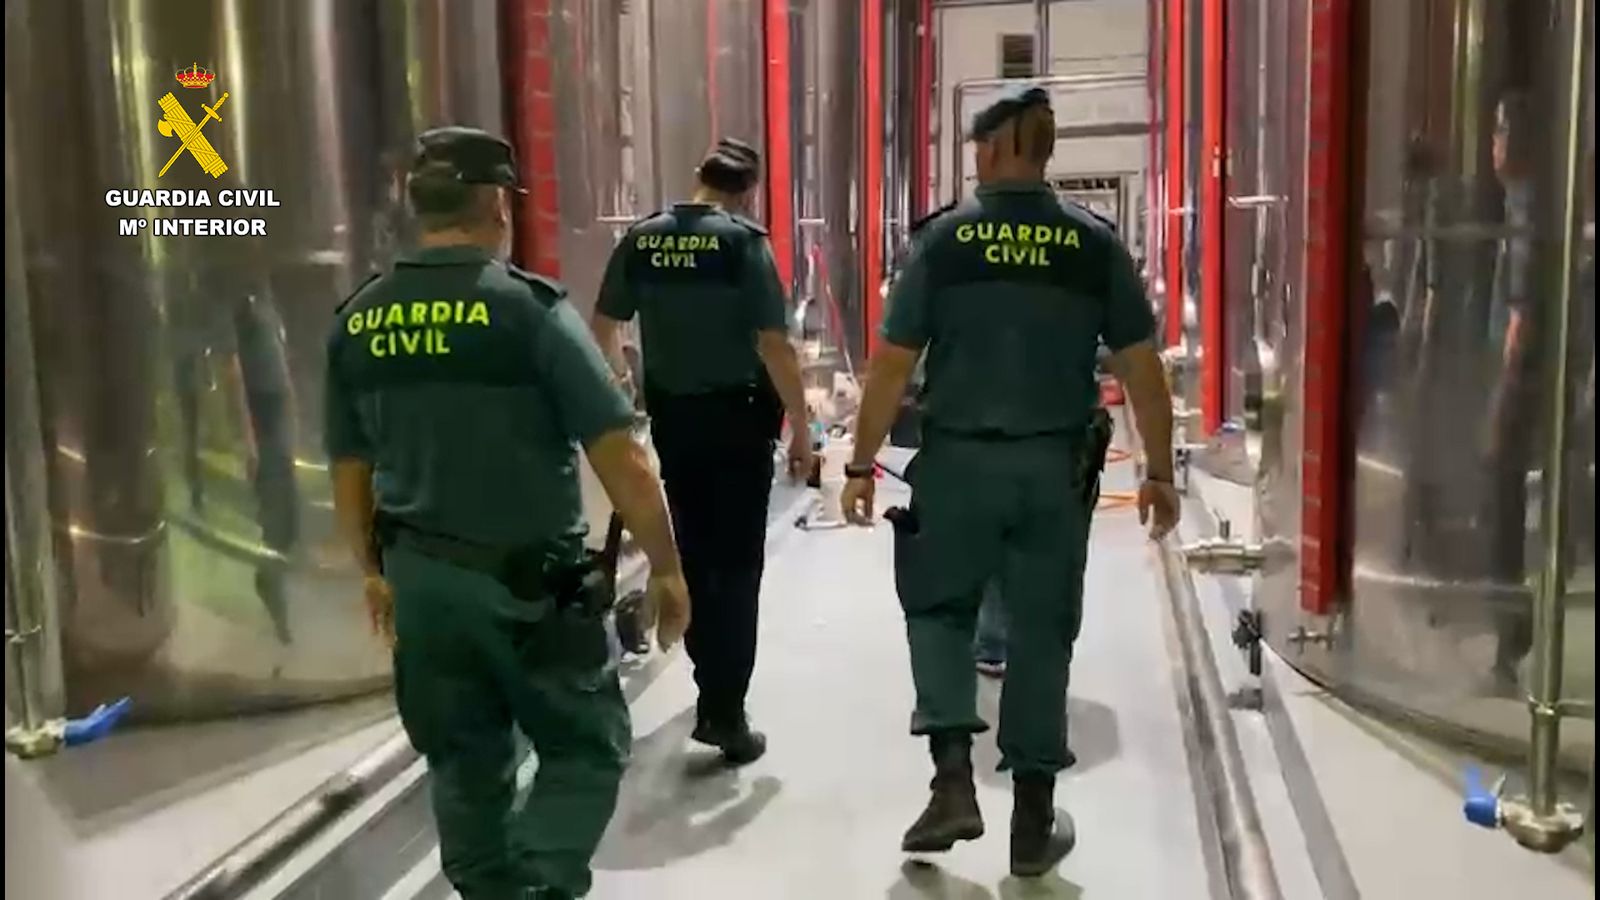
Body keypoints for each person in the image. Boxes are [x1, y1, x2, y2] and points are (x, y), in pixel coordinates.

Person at [323, 126, 691, 900]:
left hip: (420, 583)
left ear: (416, 207)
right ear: (497, 205)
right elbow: (620, 455)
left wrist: (371, 573)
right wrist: (665, 565)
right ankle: (543, 886)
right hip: (529, 591)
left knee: (461, 756)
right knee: (586, 744)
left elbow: (350, 470)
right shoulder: (529, 313)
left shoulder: (358, 322)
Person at [840, 85, 1180, 878]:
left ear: (991, 151)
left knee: (938, 608)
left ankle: (954, 780)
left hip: (957, 463)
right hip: (1053, 471)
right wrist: (1159, 473)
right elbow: (1142, 370)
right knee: (1041, 632)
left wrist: (859, 465)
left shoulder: (945, 243)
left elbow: (891, 364)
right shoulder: (1092, 245)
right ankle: (1031, 823)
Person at [590, 137, 814, 765]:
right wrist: (801, 426)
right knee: (738, 567)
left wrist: (624, 384)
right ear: (747, 191)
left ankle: (707, 685)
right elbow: (775, 344)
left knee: (691, 552)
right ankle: (725, 710)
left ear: (698, 177)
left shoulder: (643, 238)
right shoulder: (744, 243)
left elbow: (601, 329)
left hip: (674, 421)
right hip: (739, 423)